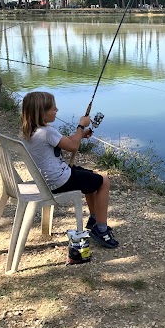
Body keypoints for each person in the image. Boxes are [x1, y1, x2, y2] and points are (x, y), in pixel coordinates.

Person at [20, 91, 119, 248]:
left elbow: (68, 141)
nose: (57, 110)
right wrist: (81, 125)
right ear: (42, 113)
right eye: (53, 108)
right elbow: (72, 146)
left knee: (90, 176)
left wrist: (81, 134)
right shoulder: (47, 132)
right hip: (59, 180)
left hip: (47, 179)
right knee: (104, 182)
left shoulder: (30, 131)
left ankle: (94, 218)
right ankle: (101, 230)